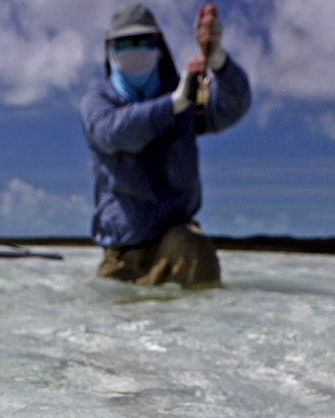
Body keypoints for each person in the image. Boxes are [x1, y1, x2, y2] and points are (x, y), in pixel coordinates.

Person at [81, 3, 251, 287]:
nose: (135, 48)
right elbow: (113, 132)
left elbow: (233, 107)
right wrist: (173, 104)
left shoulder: (184, 90)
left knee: (197, 250)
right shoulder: (97, 100)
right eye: (124, 43)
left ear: (159, 47)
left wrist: (218, 58)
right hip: (121, 255)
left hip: (174, 240)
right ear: (109, 50)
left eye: (144, 41)